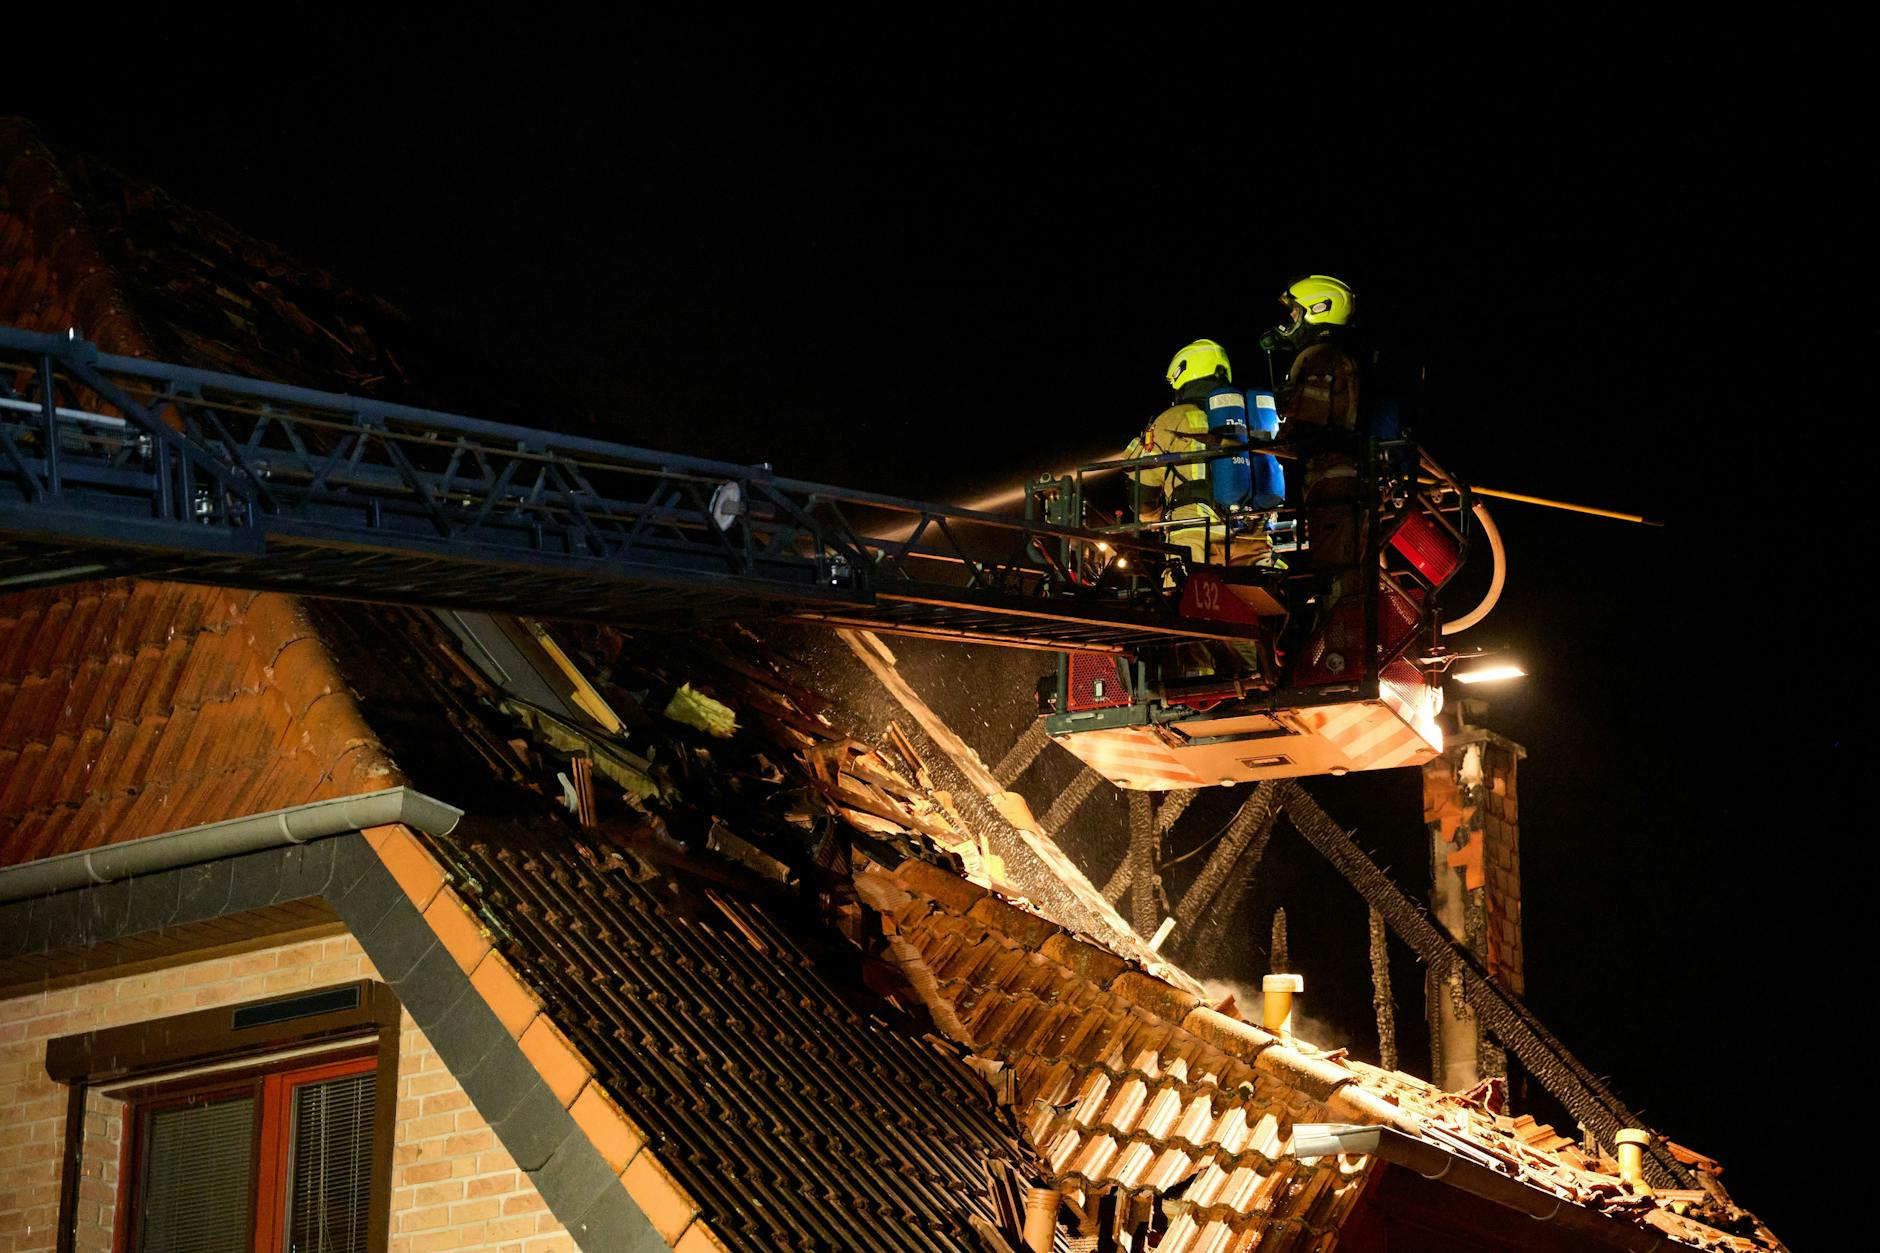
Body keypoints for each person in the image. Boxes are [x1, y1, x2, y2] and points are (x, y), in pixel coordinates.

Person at [1123, 339, 1274, 570]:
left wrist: (1153, 518)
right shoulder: (1251, 416)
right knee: (1257, 602)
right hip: (1253, 536)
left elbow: (1141, 495)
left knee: (1182, 600)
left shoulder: (1175, 417)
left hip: (1195, 536)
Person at [1266, 275, 1364, 606]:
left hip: (1330, 474)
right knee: (1341, 561)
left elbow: (1308, 415)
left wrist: (1275, 439)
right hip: (1339, 473)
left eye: (1295, 312)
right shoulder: (1338, 354)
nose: (1290, 321)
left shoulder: (1319, 355)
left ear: (1317, 309)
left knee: (1334, 567)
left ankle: (1340, 627)